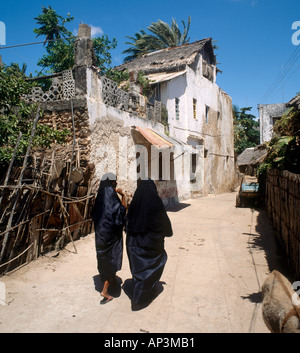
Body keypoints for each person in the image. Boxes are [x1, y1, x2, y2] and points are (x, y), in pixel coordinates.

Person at [125, 179, 173, 310]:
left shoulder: (134, 206)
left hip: (134, 248)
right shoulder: (157, 205)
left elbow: (127, 226)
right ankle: (141, 298)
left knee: (139, 269)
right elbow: (167, 228)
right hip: (152, 246)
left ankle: (139, 293)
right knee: (159, 259)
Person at [92, 173, 126, 304]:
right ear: (112, 183)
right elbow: (120, 215)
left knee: (103, 258)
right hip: (112, 236)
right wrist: (123, 197)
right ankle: (105, 290)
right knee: (112, 258)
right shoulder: (110, 196)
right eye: (114, 183)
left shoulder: (99, 196)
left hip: (100, 235)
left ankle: (109, 279)